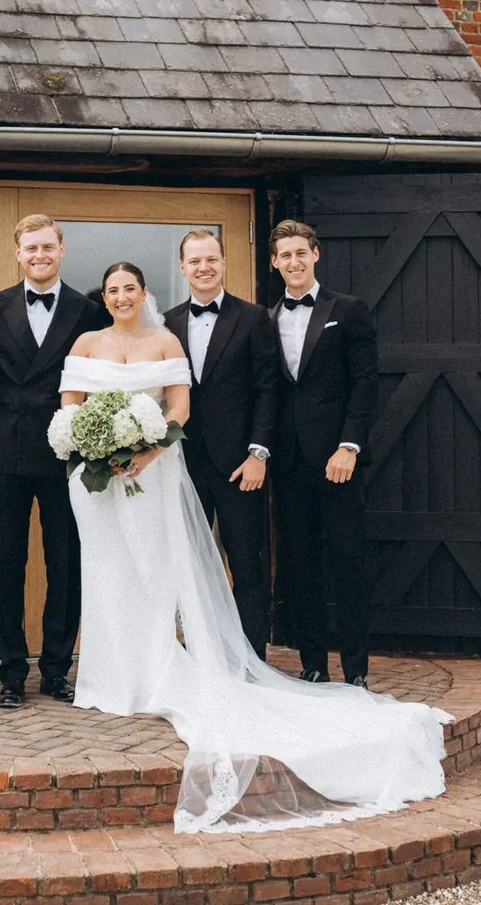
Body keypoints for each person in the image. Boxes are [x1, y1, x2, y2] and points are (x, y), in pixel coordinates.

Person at [64, 261, 450, 833]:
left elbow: (185, 407)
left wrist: (145, 451)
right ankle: (107, 675)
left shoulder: (178, 335)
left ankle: (186, 667)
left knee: (163, 569)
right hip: (98, 480)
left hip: (156, 469)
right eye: (113, 289)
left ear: (144, 292)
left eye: (130, 288)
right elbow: (71, 405)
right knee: (105, 571)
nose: (122, 296)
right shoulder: (91, 341)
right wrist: (93, 447)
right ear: (106, 295)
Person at [0, 214, 108, 709]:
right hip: (4, 449)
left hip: (65, 451)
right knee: (6, 564)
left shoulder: (87, 310)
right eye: (31, 248)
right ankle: (11, 672)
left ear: (62, 249)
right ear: (18, 253)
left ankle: (57, 669)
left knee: (66, 564)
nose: (39, 255)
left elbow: (101, 380)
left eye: (47, 246)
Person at [268, 219, 378, 689]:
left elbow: (365, 382)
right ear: (274, 263)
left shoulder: (348, 310)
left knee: (348, 564)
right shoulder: (267, 318)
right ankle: (313, 664)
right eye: (285, 255)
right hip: (289, 463)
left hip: (338, 461)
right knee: (302, 567)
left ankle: (356, 671)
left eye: (300, 252)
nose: (293, 262)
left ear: (315, 254)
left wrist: (349, 446)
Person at [163, 229, 278, 658]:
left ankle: (252, 658)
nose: (204, 267)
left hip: (239, 464)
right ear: (182, 267)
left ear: (224, 262)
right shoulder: (167, 323)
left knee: (247, 564)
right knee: (191, 565)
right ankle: (202, 656)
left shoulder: (253, 318)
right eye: (195, 261)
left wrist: (258, 453)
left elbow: (267, 390)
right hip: (183, 463)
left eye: (211, 259)